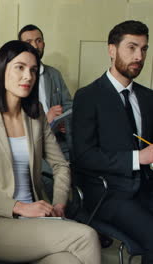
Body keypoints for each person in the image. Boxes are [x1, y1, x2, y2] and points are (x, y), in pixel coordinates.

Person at [0, 40, 101, 263]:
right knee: (86, 236)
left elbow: (61, 165)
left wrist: (58, 204)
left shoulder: (35, 117)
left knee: (70, 260)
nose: (28, 76)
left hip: (39, 215)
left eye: (33, 70)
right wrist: (21, 208)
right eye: (20, 67)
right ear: (1, 69)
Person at [72, 20, 153, 263]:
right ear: (111, 50)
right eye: (131, 47)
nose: (139, 56)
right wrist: (139, 158)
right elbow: (83, 156)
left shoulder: (148, 97)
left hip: (146, 187)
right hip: (108, 193)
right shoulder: (88, 96)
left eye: (144, 49)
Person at [18, 24, 73, 158]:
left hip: (58, 143)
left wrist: (63, 122)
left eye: (38, 40)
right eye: (29, 42)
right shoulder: (14, 77)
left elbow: (69, 105)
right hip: (28, 145)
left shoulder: (54, 74)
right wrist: (45, 120)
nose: (35, 46)